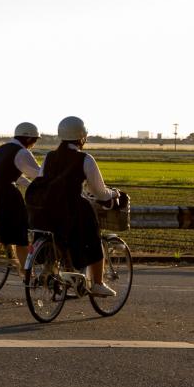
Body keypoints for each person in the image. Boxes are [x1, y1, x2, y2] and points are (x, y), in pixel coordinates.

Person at [27, 115, 127, 297]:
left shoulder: (50, 157)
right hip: (73, 209)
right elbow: (99, 192)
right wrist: (115, 194)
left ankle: (55, 270)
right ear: (82, 137)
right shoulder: (85, 159)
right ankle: (97, 283)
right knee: (93, 241)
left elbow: (43, 179)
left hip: (46, 209)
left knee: (59, 237)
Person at [0, 121, 44, 275]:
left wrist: (30, 185)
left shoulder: (3, 148)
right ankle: (27, 272)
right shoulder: (22, 152)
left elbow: (16, 176)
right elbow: (39, 175)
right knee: (20, 234)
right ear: (28, 139)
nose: (34, 144)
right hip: (6, 193)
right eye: (34, 140)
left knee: (3, 226)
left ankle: (11, 257)